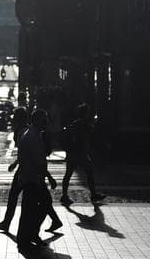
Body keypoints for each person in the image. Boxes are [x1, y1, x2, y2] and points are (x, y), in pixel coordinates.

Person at [15, 109, 58, 247]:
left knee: (29, 208)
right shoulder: (33, 137)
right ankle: (30, 234)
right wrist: (49, 178)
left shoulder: (32, 134)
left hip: (30, 178)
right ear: (38, 120)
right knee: (43, 204)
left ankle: (25, 236)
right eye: (44, 119)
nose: (47, 122)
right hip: (33, 179)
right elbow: (39, 162)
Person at [61, 103, 104, 206]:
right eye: (87, 112)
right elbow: (88, 136)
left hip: (73, 153)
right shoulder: (84, 124)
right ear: (85, 113)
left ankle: (64, 195)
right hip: (80, 153)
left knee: (69, 174)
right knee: (88, 173)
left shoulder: (75, 124)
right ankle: (92, 194)